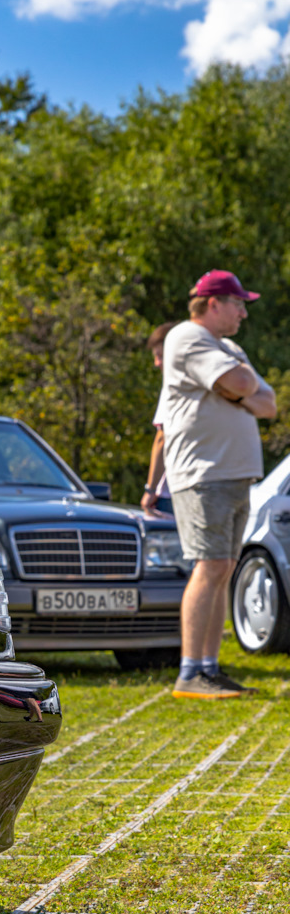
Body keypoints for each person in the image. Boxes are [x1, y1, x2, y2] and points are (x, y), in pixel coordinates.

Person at [160, 270, 276, 701]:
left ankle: (210, 668)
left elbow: (268, 403)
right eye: (239, 303)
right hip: (203, 475)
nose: (244, 312)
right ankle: (190, 673)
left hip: (233, 474)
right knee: (208, 568)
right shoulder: (187, 337)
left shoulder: (227, 348)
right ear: (214, 303)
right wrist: (237, 388)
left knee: (223, 568)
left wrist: (234, 391)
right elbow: (248, 385)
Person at [141, 322, 178, 516]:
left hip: (172, 493)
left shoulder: (174, 383)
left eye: (161, 356)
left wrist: (151, 489)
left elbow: (163, 438)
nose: (157, 363)